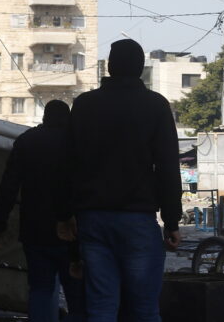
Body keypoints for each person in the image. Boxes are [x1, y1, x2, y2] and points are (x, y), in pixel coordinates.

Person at [58, 38, 182, 321]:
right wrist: (172, 221)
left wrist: (66, 215)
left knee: (101, 306)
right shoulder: (156, 106)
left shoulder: (85, 105)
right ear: (140, 69)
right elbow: (166, 166)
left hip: (93, 220)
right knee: (144, 308)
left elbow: (69, 164)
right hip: (137, 219)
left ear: (110, 67)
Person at [0, 100, 85, 322]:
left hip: (35, 231)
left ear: (45, 118)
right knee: (77, 294)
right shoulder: (77, 142)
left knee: (40, 290)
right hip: (72, 232)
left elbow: (8, 186)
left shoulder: (26, 141)